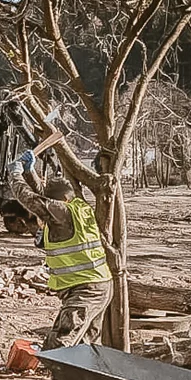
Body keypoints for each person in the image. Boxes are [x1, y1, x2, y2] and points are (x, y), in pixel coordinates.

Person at [9, 150, 113, 356]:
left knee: (61, 345)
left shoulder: (62, 213)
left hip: (85, 290)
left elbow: (33, 200)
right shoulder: (78, 207)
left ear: (61, 201)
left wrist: (15, 175)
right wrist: (31, 173)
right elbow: (46, 196)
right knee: (85, 346)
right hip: (96, 285)